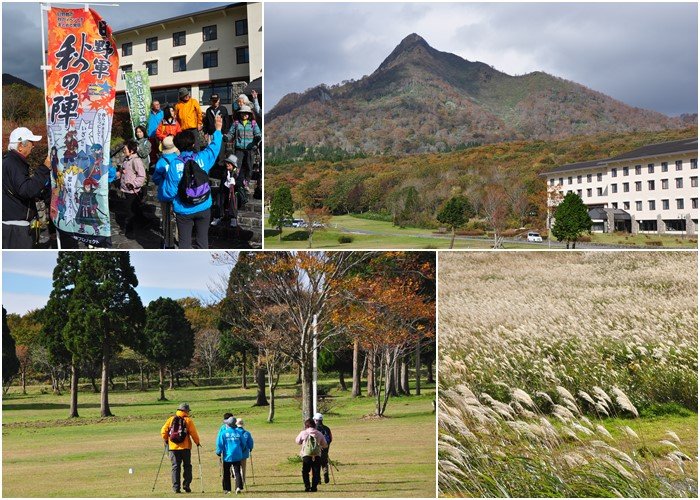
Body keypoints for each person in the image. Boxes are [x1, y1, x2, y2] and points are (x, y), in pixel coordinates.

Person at [159, 114, 223, 249]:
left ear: (177, 147)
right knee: (202, 241)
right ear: (193, 144)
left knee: (184, 244)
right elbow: (214, 148)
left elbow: (170, 192)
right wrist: (218, 130)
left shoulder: (174, 165)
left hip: (184, 209)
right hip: (204, 205)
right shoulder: (202, 158)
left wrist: (163, 193)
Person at [2, 127, 51, 248]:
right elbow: (26, 190)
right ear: (20, 145)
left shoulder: (10, 161)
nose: (33, 146)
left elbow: (17, 189)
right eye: (31, 142)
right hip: (15, 227)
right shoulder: (13, 163)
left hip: (12, 224)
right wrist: (44, 168)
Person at [160, 403, 201, 494]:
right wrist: (197, 442)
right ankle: (186, 485)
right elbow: (193, 433)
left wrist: (166, 440)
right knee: (187, 466)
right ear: (186, 411)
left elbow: (163, 431)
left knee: (175, 467)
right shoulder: (188, 420)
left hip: (173, 448)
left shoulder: (170, 419)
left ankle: (176, 488)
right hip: (185, 448)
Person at [152, 135, 179, 248]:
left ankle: (168, 242)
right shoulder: (179, 159)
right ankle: (180, 239)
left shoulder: (161, 162)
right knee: (179, 218)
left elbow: (155, 179)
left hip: (165, 193)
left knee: (166, 218)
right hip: (177, 193)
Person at [227, 105, 261, 191]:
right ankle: (234, 181)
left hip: (250, 148)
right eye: (243, 113)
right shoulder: (236, 123)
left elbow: (258, 133)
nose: (244, 115)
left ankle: (246, 182)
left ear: (249, 114)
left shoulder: (253, 123)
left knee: (249, 167)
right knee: (237, 165)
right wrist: (227, 137)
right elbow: (230, 133)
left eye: (246, 113)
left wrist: (257, 137)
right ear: (240, 114)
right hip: (239, 148)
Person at [117, 139, 146, 237]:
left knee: (129, 212)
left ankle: (129, 231)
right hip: (125, 189)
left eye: (125, 149)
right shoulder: (126, 159)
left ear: (132, 151)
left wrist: (133, 184)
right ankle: (144, 222)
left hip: (132, 191)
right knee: (136, 209)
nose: (123, 150)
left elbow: (142, 176)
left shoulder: (136, 161)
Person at [295, 418, 328, 492]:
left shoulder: (303, 433)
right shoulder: (319, 433)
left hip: (306, 454)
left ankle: (307, 486)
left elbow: (297, 441)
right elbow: (325, 444)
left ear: (306, 425)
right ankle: (314, 487)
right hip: (317, 455)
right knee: (316, 471)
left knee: (305, 471)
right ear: (314, 425)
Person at [216, 415, 245, 494]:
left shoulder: (224, 433)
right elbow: (243, 443)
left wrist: (218, 452)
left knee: (226, 472)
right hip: (237, 455)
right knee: (237, 471)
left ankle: (227, 489)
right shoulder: (239, 432)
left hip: (227, 456)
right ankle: (238, 487)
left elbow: (220, 444)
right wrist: (241, 450)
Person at [211, 154, 240, 228]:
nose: (227, 164)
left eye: (229, 163)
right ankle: (218, 216)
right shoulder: (224, 171)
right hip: (224, 191)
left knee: (233, 200)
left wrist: (234, 181)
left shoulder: (237, 173)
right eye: (227, 163)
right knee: (219, 199)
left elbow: (240, 184)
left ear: (233, 165)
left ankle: (233, 218)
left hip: (233, 192)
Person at [175, 88, 202, 152]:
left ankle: (197, 160)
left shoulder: (194, 101)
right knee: (185, 146)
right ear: (181, 96)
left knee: (196, 146)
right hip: (183, 129)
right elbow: (176, 118)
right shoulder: (177, 105)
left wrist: (199, 123)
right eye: (185, 95)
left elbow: (199, 113)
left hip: (193, 128)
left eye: (187, 94)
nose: (187, 96)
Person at [313, 413, 333, 484]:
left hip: (316, 450)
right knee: (324, 463)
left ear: (315, 420)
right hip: (325, 449)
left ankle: (318, 480)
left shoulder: (314, 429)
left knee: (316, 464)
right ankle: (325, 473)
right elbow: (330, 439)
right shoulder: (327, 428)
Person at [236, 418, 254, 487]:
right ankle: (243, 482)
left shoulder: (234, 432)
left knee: (236, 468)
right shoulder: (247, 433)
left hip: (235, 453)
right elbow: (251, 443)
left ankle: (237, 481)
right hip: (244, 453)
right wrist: (250, 448)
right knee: (243, 468)